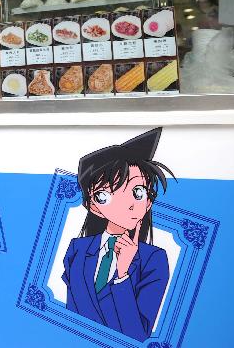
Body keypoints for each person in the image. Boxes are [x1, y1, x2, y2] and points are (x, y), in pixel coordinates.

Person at [62, 128, 175, 342]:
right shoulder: (78, 248)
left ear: (149, 201)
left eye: (137, 192)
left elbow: (137, 335)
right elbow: (71, 317)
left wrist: (123, 275)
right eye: (106, 195)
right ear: (94, 206)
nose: (128, 205)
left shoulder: (154, 259)